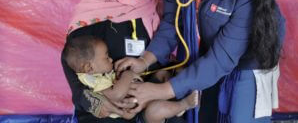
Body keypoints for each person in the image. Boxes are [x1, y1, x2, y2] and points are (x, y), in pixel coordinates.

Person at [115, 0, 286, 123]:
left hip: (248, 61)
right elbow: (172, 23)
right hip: (206, 53)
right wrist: (144, 60)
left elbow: (222, 59)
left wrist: (160, 91)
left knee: (239, 116)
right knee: (205, 114)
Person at [61, 0, 187, 123]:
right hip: (107, 103)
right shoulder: (95, 8)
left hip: (146, 98)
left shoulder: (157, 10)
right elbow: (71, 57)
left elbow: (162, 53)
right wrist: (86, 99)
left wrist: (160, 75)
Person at [63, 35, 199, 122]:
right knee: (156, 110)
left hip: (142, 93)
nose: (110, 59)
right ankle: (184, 105)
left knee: (162, 74)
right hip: (138, 111)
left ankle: (175, 95)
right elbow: (117, 94)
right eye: (106, 57)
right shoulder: (92, 81)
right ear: (89, 68)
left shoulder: (98, 73)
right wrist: (128, 75)